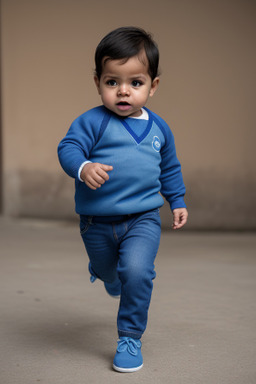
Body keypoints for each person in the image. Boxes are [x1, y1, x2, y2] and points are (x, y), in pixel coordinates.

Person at [58, 26, 188, 373]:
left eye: (135, 82)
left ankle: (130, 337)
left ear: (153, 86)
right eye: (112, 82)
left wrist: (177, 200)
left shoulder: (160, 129)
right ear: (98, 81)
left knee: (137, 270)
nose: (123, 91)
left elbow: (169, 167)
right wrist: (83, 167)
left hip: (143, 218)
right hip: (96, 221)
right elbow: (68, 148)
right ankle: (107, 275)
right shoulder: (93, 122)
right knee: (107, 270)